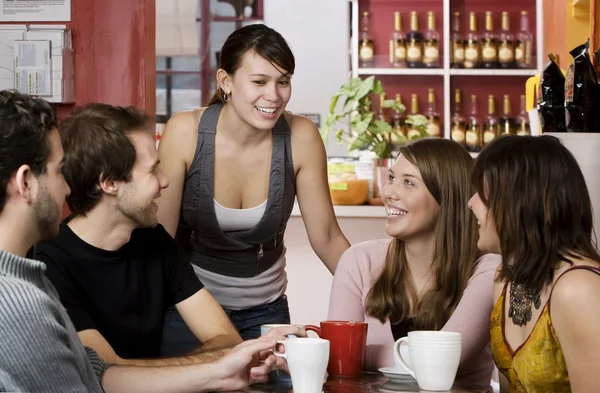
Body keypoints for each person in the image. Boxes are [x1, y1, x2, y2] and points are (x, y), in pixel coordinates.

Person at [0, 90, 298, 393]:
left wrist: (221, 370)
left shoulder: (35, 281)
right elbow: (101, 377)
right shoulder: (27, 293)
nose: (66, 187)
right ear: (109, 183)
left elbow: (100, 374)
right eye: (58, 172)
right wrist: (213, 366)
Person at [156, 23, 350, 348]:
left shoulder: (301, 136)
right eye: (259, 81)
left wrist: (381, 300)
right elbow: (159, 239)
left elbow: (328, 238)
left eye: (283, 81)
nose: (273, 96)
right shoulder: (184, 132)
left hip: (267, 313)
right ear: (226, 81)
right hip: (191, 309)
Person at [31, 103, 244, 365]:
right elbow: (108, 372)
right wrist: (213, 365)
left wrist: (212, 364)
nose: (164, 181)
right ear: (109, 183)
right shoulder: (48, 262)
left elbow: (228, 339)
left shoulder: (155, 240)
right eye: (152, 170)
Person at [328, 138, 501, 390]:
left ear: (447, 197)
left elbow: (442, 360)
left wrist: (354, 354)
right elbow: (338, 367)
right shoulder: (359, 261)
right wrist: (338, 354)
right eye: (391, 178)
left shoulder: (488, 270)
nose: (389, 193)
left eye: (408, 183)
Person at [469, 135, 600, 393]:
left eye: (482, 193)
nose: (471, 202)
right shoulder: (504, 278)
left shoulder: (578, 288)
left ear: (521, 201)